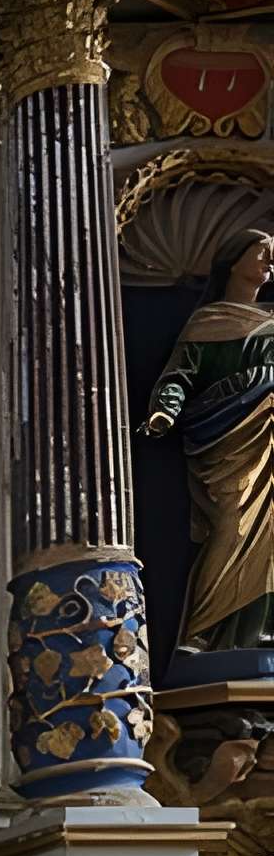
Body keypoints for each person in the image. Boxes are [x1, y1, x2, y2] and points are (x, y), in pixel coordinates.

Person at [148, 229, 274, 656]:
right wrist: (165, 409)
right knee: (230, 525)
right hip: (224, 436)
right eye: (261, 254)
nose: (269, 263)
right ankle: (201, 632)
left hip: (270, 439)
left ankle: (259, 633)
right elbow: (179, 376)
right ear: (233, 260)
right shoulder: (208, 322)